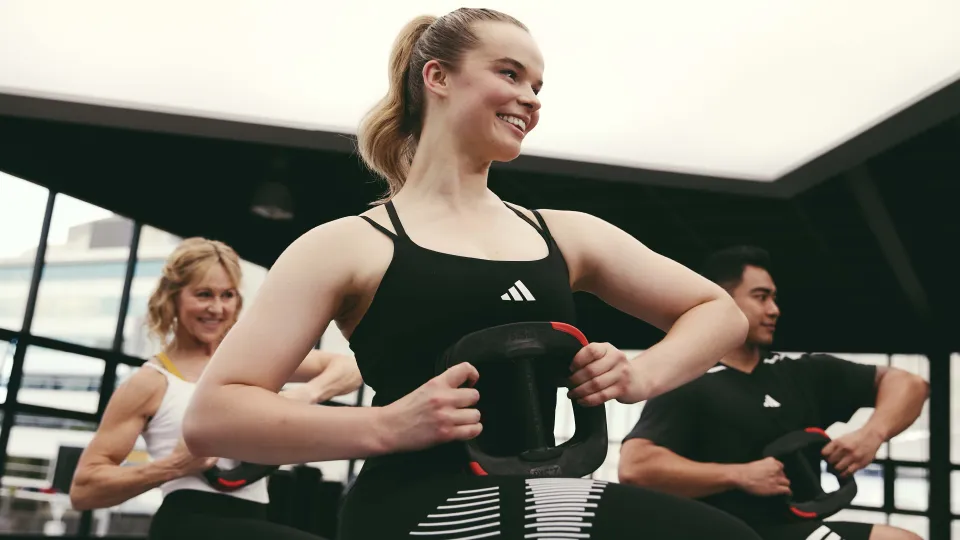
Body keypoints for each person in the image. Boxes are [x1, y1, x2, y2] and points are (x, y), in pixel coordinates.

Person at [183, 9, 763, 539]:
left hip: (533, 496)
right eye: (510, 75)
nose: (531, 99)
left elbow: (718, 313)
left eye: (538, 86)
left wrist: (636, 376)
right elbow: (215, 417)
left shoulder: (564, 235)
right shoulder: (348, 245)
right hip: (420, 507)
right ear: (437, 77)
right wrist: (385, 426)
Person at [619, 245, 929, 540]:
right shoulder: (689, 379)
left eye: (774, 298)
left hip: (794, 529)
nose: (774, 310)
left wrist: (871, 435)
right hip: (721, 533)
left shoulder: (803, 373)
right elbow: (636, 468)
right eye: (761, 297)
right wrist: (738, 475)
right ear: (723, 300)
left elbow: (910, 385)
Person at [70, 237, 362, 540]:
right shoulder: (151, 381)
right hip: (189, 522)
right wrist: (172, 467)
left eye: (228, 295)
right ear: (173, 297)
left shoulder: (252, 361)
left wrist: (304, 394)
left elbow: (351, 368)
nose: (216, 308)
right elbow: (84, 489)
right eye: (204, 294)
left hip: (254, 517)